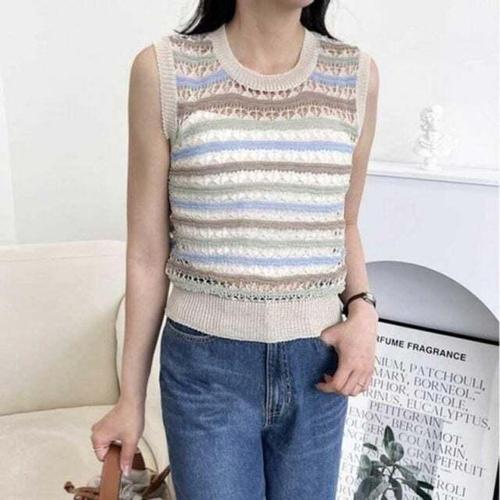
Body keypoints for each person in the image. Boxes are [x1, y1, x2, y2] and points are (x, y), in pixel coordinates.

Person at [90, 0, 379, 498]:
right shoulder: (165, 71)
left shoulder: (356, 76)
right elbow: (147, 254)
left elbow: (345, 222)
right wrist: (129, 399)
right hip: (206, 372)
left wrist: (364, 310)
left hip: (319, 364)